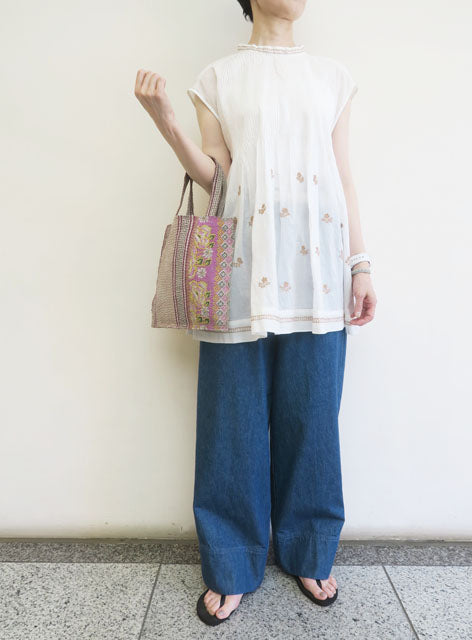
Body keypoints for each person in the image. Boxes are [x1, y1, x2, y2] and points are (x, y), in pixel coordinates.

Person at [135, 0, 377, 627]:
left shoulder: (333, 78)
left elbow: (344, 178)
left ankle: (310, 548)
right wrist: (168, 123)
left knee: (313, 419)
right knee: (230, 423)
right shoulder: (217, 78)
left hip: (319, 276)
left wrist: (361, 264)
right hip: (238, 273)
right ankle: (231, 561)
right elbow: (215, 175)